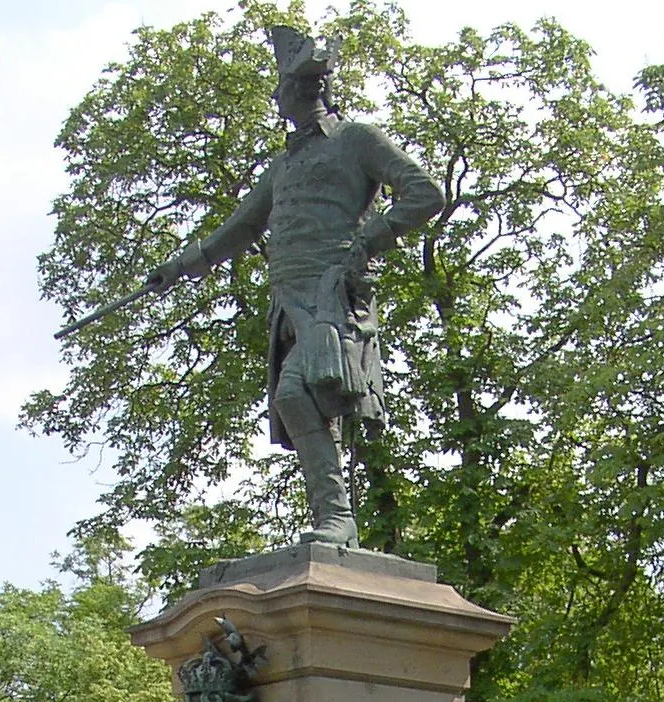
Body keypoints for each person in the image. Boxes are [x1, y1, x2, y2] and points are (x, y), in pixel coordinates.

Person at [148, 25, 444, 547]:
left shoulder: (356, 140)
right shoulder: (282, 166)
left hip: (334, 289)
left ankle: (337, 515)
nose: (278, 98)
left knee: (295, 392)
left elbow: (424, 191)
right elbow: (241, 226)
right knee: (295, 398)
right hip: (290, 300)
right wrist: (180, 265)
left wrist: (370, 239)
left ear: (303, 91)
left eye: (282, 88)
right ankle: (337, 517)